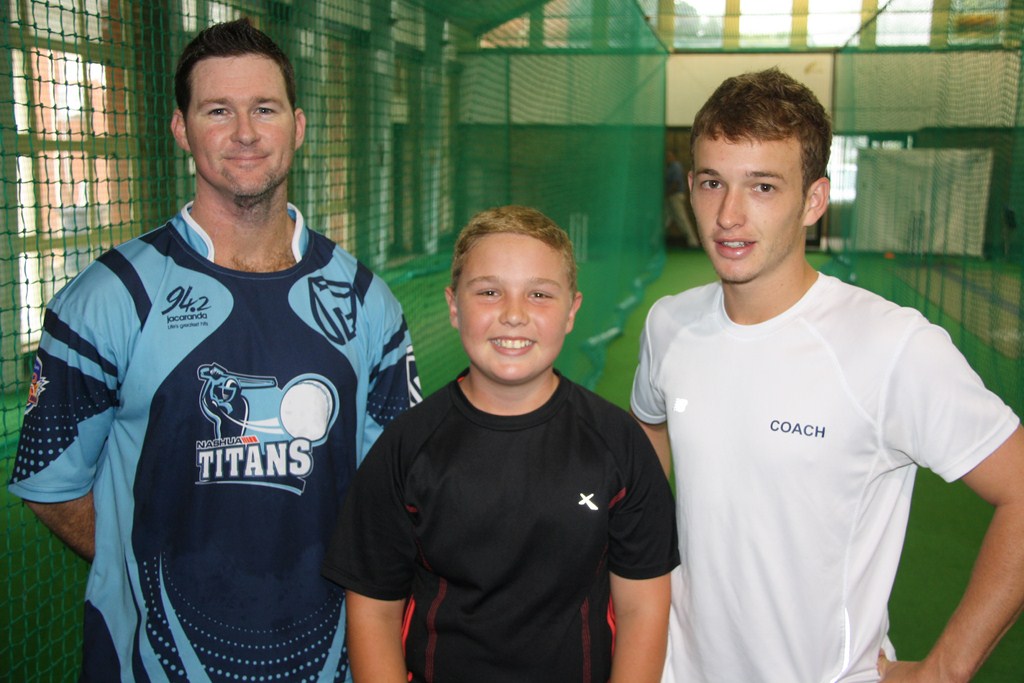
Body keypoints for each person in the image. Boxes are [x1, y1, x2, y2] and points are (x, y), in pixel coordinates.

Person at [7, 18, 420, 681]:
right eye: (218, 110)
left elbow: (395, 488)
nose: (245, 132)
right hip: (152, 663)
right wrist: (141, 562)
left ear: (298, 126)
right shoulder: (110, 298)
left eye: (265, 108)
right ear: (182, 129)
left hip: (328, 661)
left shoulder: (367, 301)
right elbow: (53, 487)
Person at [630, 67, 1024, 683]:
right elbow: (649, 430)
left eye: (763, 187)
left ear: (814, 200)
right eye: (712, 183)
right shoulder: (668, 324)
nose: (728, 215)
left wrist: (944, 670)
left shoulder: (893, 347)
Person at [322, 205, 679, 683]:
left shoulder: (618, 445)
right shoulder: (405, 448)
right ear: (454, 306)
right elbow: (373, 611)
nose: (513, 315)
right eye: (489, 292)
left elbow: (642, 609)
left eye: (539, 294)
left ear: (572, 311)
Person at [664, 149, 699, 248]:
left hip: (675, 196)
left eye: (668, 156)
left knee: (681, 219)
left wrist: (667, 193)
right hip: (671, 196)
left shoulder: (675, 166)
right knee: (665, 219)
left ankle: (693, 242)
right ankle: (654, 241)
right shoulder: (669, 167)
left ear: (672, 156)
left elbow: (676, 183)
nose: (667, 158)